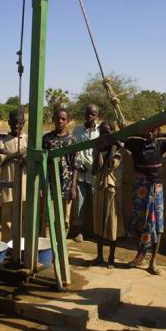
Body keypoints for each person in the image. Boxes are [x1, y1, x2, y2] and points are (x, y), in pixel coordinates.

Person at [125, 128, 166, 275]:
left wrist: (162, 134)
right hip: (141, 189)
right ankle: (140, 256)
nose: (149, 133)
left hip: (156, 189)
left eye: (153, 131)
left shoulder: (161, 144)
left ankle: (153, 262)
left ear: (158, 132)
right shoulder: (135, 144)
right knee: (140, 223)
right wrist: (139, 132)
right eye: (147, 130)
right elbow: (123, 135)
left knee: (158, 226)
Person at [89, 122, 123, 269]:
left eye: (107, 132)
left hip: (112, 190)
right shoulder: (98, 149)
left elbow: (109, 164)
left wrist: (112, 145)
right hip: (99, 188)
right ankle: (99, 255)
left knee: (112, 224)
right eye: (102, 132)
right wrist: (100, 150)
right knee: (98, 222)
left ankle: (111, 257)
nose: (104, 136)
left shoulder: (119, 149)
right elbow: (94, 169)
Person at [0, 111, 27, 242]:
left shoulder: (27, 139)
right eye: (14, 123)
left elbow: (28, 160)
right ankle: (7, 246)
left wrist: (9, 154)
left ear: (24, 123)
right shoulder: (2, 139)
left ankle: (21, 246)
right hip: (7, 183)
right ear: (9, 122)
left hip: (24, 184)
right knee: (7, 219)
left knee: (23, 218)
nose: (17, 126)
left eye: (20, 123)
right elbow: (0, 161)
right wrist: (18, 154)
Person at [42, 108, 77, 232]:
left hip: (66, 185)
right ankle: (48, 248)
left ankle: (61, 247)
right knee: (48, 219)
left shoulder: (72, 140)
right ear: (53, 120)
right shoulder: (46, 139)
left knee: (64, 219)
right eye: (57, 118)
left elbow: (75, 165)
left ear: (68, 121)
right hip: (50, 184)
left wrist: (73, 187)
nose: (60, 121)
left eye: (63, 119)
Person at [72, 104, 99, 243]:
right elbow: (73, 150)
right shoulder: (77, 130)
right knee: (79, 204)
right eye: (88, 113)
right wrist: (77, 164)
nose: (90, 116)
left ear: (96, 116)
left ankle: (98, 232)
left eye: (93, 114)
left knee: (96, 203)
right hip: (80, 172)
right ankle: (79, 232)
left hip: (94, 173)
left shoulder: (99, 131)